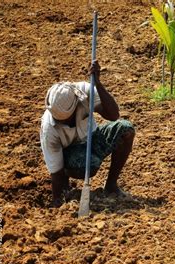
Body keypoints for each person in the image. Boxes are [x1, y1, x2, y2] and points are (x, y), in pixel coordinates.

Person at [40, 61, 135, 207]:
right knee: (89, 164)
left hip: (93, 138)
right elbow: (56, 172)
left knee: (125, 129)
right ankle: (68, 186)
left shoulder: (83, 91)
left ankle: (111, 186)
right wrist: (57, 202)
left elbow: (113, 115)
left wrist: (97, 83)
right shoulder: (49, 130)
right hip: (70, 154)